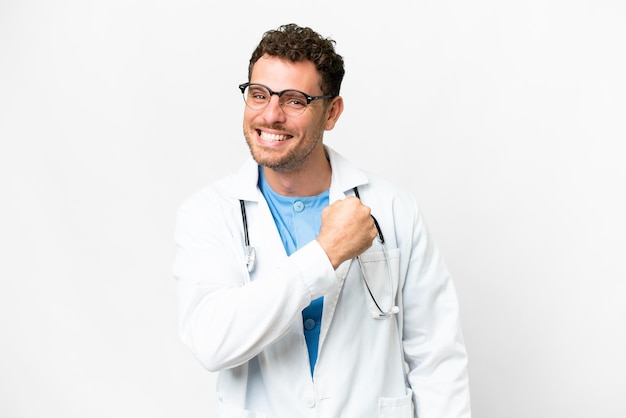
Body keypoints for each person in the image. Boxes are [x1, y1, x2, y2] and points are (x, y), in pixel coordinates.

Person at [173, 23, 471, 418]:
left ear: (331, 112)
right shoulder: (210, 213)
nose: (271, 115)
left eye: (295, 101)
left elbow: (437, 360)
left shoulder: (393, 207)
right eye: (258, 95)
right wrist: (325, 253)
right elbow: (212, 343)